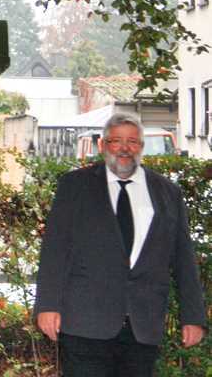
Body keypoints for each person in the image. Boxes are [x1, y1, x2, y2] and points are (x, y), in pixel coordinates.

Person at [35, 111, 206, 376]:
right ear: (103, 145)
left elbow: (184, 258)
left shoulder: (167, 193)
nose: (124, 148)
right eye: (116, 141)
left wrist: (193, 317)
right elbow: (55, 250)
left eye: (133, 142)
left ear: (141, 147)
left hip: (143, 326)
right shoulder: (75, 187)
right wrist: (47, 305)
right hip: (85, 323)